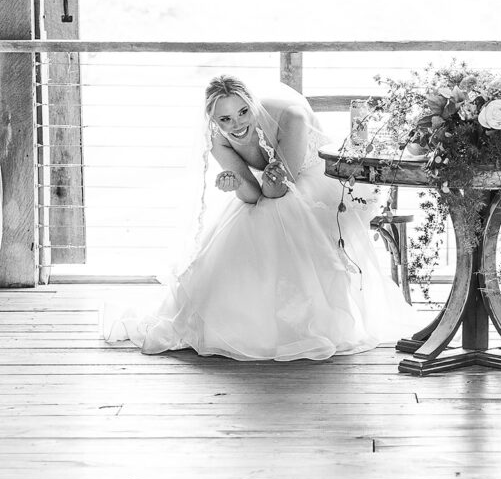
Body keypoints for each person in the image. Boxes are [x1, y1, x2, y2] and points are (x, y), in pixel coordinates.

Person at [103, 75, 417, 360]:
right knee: (245, 220)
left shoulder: (289, 117)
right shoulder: (216, 138)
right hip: (274, 188)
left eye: (243, 113)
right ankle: (244, 323)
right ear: (213, 121)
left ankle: (297, 325)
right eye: (225, 119)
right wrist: (237, 185)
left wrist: (265, 185)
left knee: (277, 217)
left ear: (252, 104)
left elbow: (280, 192)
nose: (237, 124)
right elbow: (254, 195)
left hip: (318, 184)